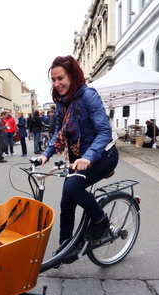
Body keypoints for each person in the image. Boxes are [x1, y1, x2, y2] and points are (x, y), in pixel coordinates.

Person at [38, 55, 118, 245]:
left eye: (61, 78)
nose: (57, 83)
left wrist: (88, 157)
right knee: (66, 202)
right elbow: (59, 131)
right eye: (54, 79)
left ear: (72, 76)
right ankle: (66, 246)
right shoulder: (62, 103)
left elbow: (104, 131)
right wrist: (45, 155)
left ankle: (101, 221)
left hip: (103, 155)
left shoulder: (88, 96)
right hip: (77, 158)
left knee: (72, 187)